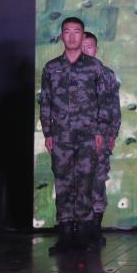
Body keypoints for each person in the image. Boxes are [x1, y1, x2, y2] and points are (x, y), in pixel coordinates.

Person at [40, 17, 115, 254]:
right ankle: (65, 236)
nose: (72, 36)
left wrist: (100, 131)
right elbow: (45, 102)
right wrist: (48, 132)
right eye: (67, 32)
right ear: (61, 36)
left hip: (88, 136)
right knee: (63, 184)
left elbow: (104, 102)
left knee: (85, 184)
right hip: (61, 136)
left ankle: (83, 236)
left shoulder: (95, 67)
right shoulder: (51, 68)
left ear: (83, 36)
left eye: (77, 32)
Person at [81, 31, 122, 240]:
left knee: (97, 182)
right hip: (75, 141)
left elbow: (114, 107)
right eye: (82, 47)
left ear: (96, 49)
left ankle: (94, 229)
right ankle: (76, 230)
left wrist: (112, 134)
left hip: (100, 139)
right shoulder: (68, 74)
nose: (85, 50)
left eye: (89, 46)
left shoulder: (106, 75)